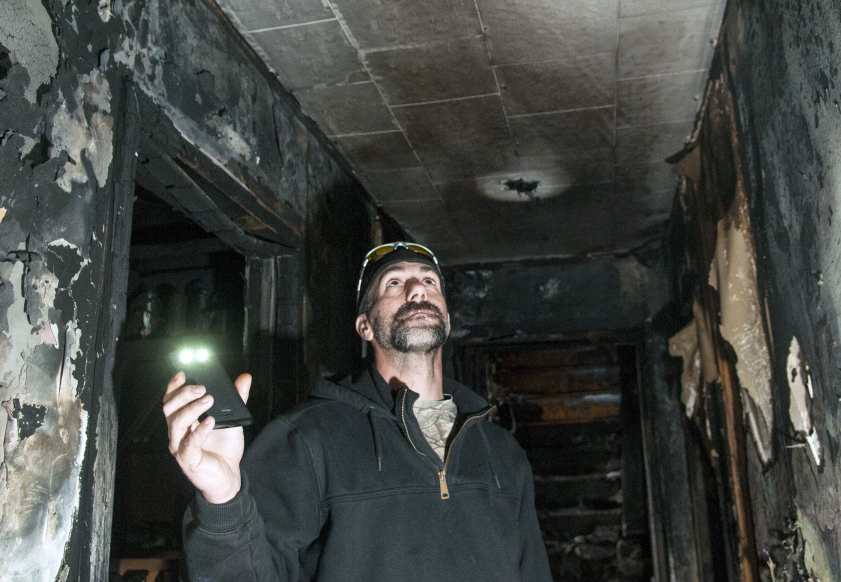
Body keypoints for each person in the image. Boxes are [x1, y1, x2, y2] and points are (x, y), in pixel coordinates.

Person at [163, 241, 552, 582]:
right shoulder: (307, 439)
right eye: (394, 283)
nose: (417, 288)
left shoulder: (501, 452)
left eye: (429, 281)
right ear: (365, 326)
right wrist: (222, 500)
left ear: (447, 321)